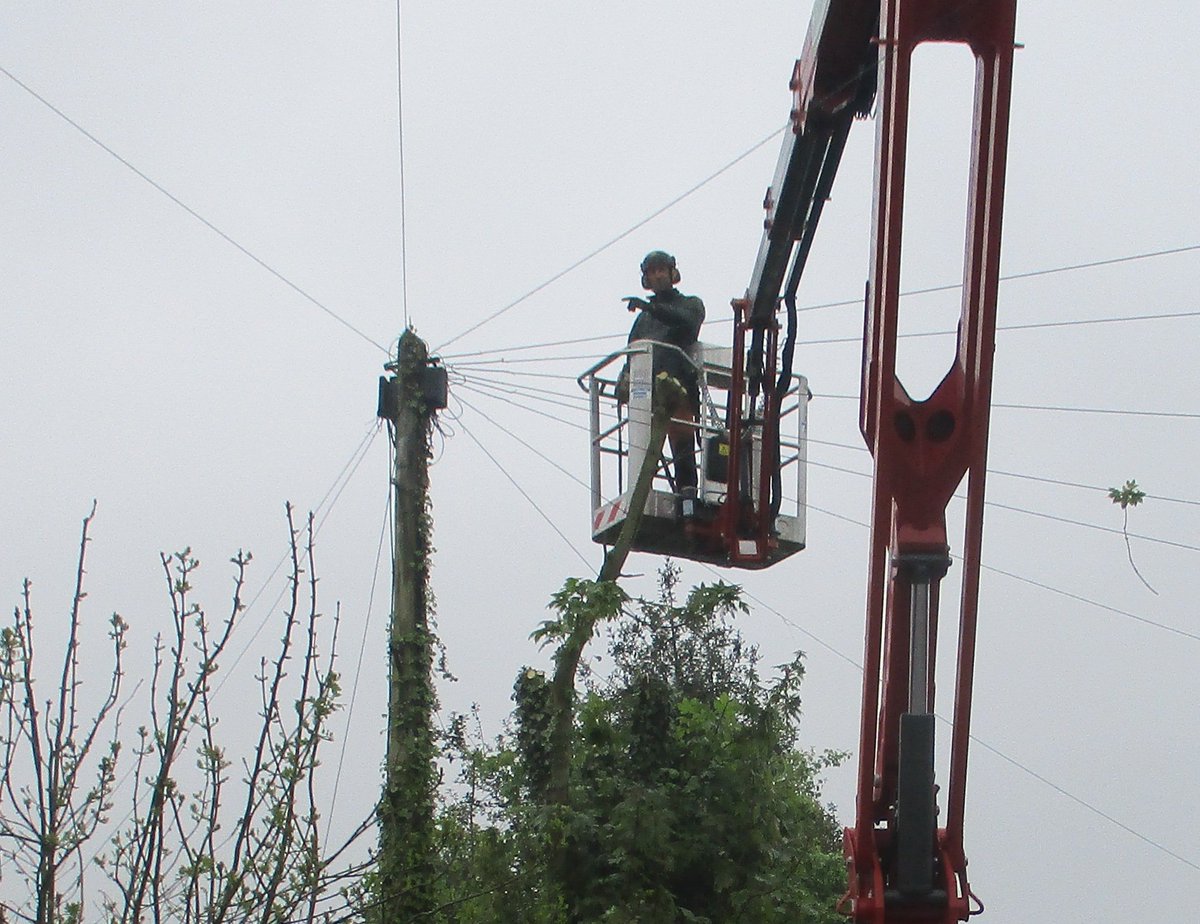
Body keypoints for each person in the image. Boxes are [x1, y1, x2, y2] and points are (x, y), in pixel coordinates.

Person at [621, 250, 705, 502]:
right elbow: (632, 352)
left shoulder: (690, 304)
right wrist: (624, 378)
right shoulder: (643, 320)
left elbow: (687, 324)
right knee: (642, 446)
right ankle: (640, 492)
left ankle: (687, 491)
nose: (657, 276)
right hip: (645, 393)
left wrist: (651, 307)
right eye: (652, 272)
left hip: (678, 387)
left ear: (672, 273)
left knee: (681, 442)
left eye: (660, 270)